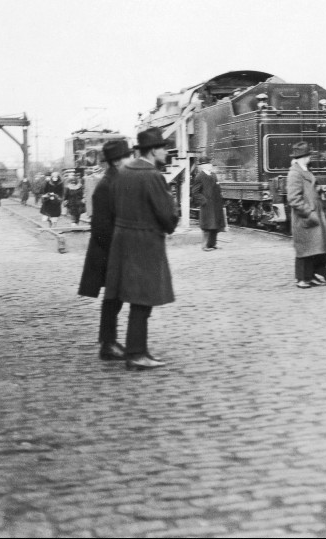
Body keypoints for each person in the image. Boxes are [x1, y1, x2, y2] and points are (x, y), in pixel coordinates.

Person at [104, 128, 178, 371]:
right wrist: (171, 217)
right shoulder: (152, 175)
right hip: (145, 242)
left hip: (123, 240)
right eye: (164, 148)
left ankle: (138, 351)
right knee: (143, 301)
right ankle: (136, 354)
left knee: (135, 298)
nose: (167, 152)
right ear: (154, 150)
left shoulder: (124, 171)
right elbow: (167, 216)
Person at [77, 139, 133, 361]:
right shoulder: (106, 186)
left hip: (116, 249)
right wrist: (117, 250)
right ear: (117, 161)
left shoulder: (116, 181)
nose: (130, 160)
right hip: (109, 251)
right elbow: (100, 228)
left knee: (116, 297)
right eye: (127, 156)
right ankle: (107, 344)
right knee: (113, 298)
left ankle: (108, 342)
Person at [286, 141, 326, 288]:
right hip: (305, 217)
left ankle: (310, 276)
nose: (310, 158)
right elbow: (293, 198)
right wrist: (308, 212)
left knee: (313, 249)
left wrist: (319, 189)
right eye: (308, 155)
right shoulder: (295, 173)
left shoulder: (304, 170)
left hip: (312, 215)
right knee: (305, 249)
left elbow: (307, 189)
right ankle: (302, 279)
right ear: (304, 157)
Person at [191, 156, 225, 251]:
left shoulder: (213, 175)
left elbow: (218, 188)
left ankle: (213, 244)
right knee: (207, 225)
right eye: (208, 164)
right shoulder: (200, 176)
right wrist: (203, 201)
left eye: (210, 163)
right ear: (203, 166)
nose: (210, 165)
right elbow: (195, 192)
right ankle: (204, 246)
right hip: (207, 205)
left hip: (216, 204)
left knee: (215, 224)